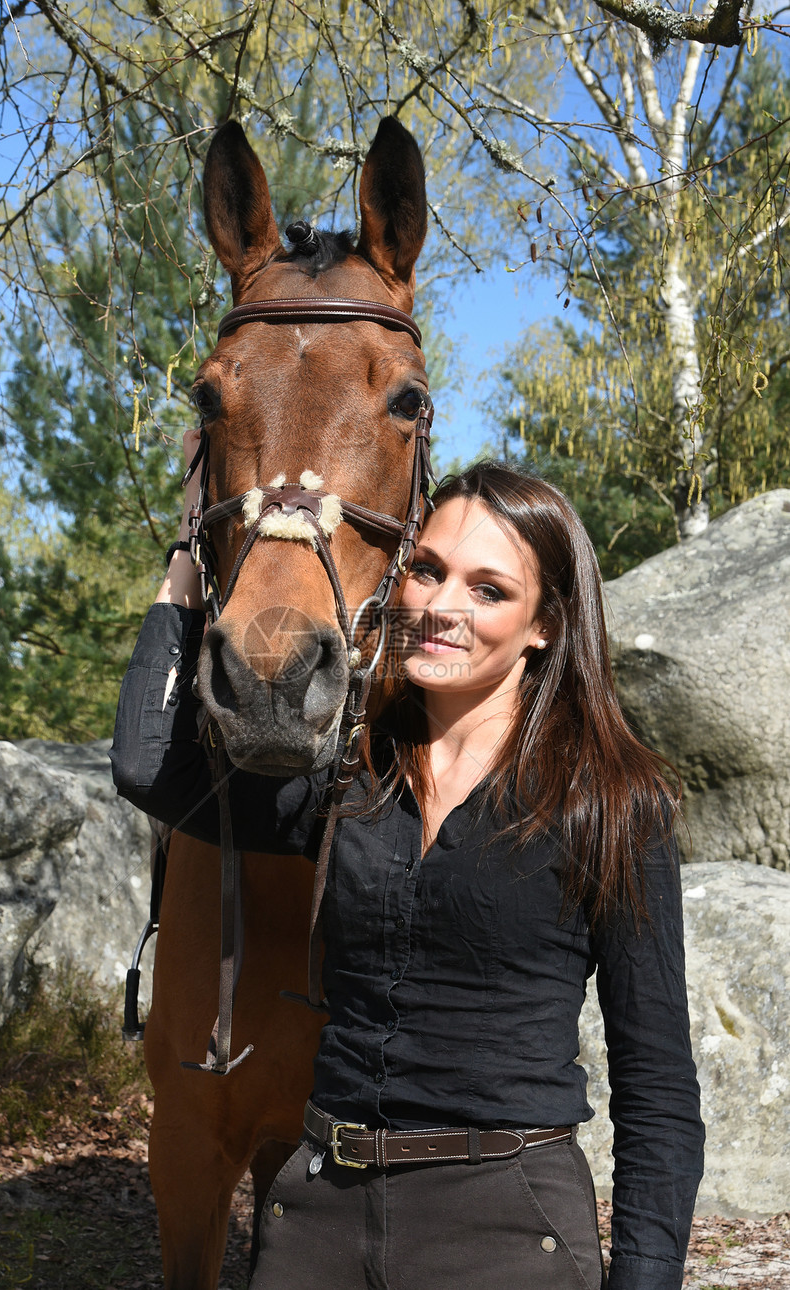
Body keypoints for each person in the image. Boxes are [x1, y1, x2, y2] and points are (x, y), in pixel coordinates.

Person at [110, 432, 704, 1290]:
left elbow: (655, 1088)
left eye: (487, 588)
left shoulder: (612, 804)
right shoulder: (348, 786)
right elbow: (145, 763)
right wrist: (188, 566)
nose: (439, 606)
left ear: (546, 626)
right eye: (428, 571)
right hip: (315, 1218)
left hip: (504, 1223)